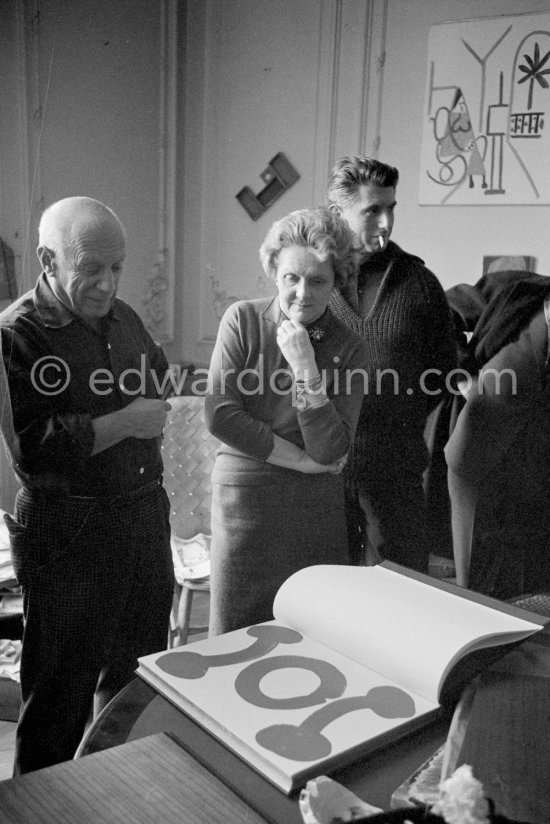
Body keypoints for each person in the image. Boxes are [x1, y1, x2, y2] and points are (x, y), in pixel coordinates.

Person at [0, 196, 174, 774]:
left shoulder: (122, 316)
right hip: (69, 529)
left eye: (117, 266)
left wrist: (144, 401)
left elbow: (156, 378)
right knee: (58, 697)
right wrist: (126, 420)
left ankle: (115, 790)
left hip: (142, 515)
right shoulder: (16, 332)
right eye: (91, 268)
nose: (107, 284)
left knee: (138, 679)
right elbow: (36, 450)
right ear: (48, 260)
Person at [204, 207, 369, 636]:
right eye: (290, 278)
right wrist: (298, 461)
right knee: (234, 643)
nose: (301, 293)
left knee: (312, 642)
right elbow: (221, 416)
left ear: (336, 282)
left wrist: (304, 367)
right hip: (247, 508)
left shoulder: (351, 347)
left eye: (318, 281)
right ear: (273, 271)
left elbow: (330, 450)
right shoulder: (242, 320)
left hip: (314, 512)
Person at [326, 156, 456, 573]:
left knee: (406, 598)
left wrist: (394, 416)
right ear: (337, 214)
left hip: (397, 476)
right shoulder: (312, 283)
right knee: (332, 600)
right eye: (372, 210)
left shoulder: (419, 283)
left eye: (391, 208)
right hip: (324, 477)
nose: (386, 223)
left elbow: (443, 372)